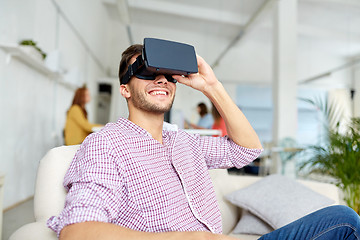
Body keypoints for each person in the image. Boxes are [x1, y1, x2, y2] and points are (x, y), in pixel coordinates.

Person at [48, 43, 360, 240]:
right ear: (125, 89)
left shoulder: (186, 142)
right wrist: (191, 238)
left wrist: (211, 85)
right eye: (144, 70)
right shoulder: (107, 144)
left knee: (344, 220)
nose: (161, 79)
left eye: (168, 74)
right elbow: (77, 231)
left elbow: (248, 149)